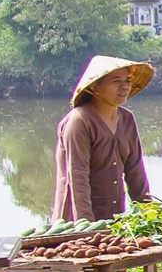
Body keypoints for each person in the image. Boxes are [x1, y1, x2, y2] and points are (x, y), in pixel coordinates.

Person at [53, 55, 155, 221]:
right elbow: (78, 177)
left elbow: (136, 172)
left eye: (127, 81)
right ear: (95, 88)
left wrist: (149, 216)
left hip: (114, 216)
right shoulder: (79, 122)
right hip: (76, 220)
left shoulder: (127, 119)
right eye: (116, 81)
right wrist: (85, 227)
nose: (124, 87)